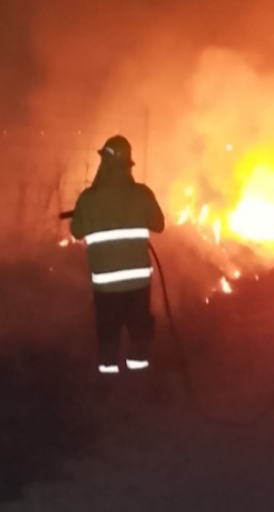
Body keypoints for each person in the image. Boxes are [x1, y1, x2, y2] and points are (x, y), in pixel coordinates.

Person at [70, 135, 165, 375]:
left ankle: (109, 383)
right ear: (128, 165)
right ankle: (139, 380)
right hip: (138, 284)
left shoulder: (88, 199)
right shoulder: (142, 194)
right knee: (139, 331)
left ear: (103, 162)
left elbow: (76, 231)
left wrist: (90, 213)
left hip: (106, 287)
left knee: (108, 332)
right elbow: (158, 224)